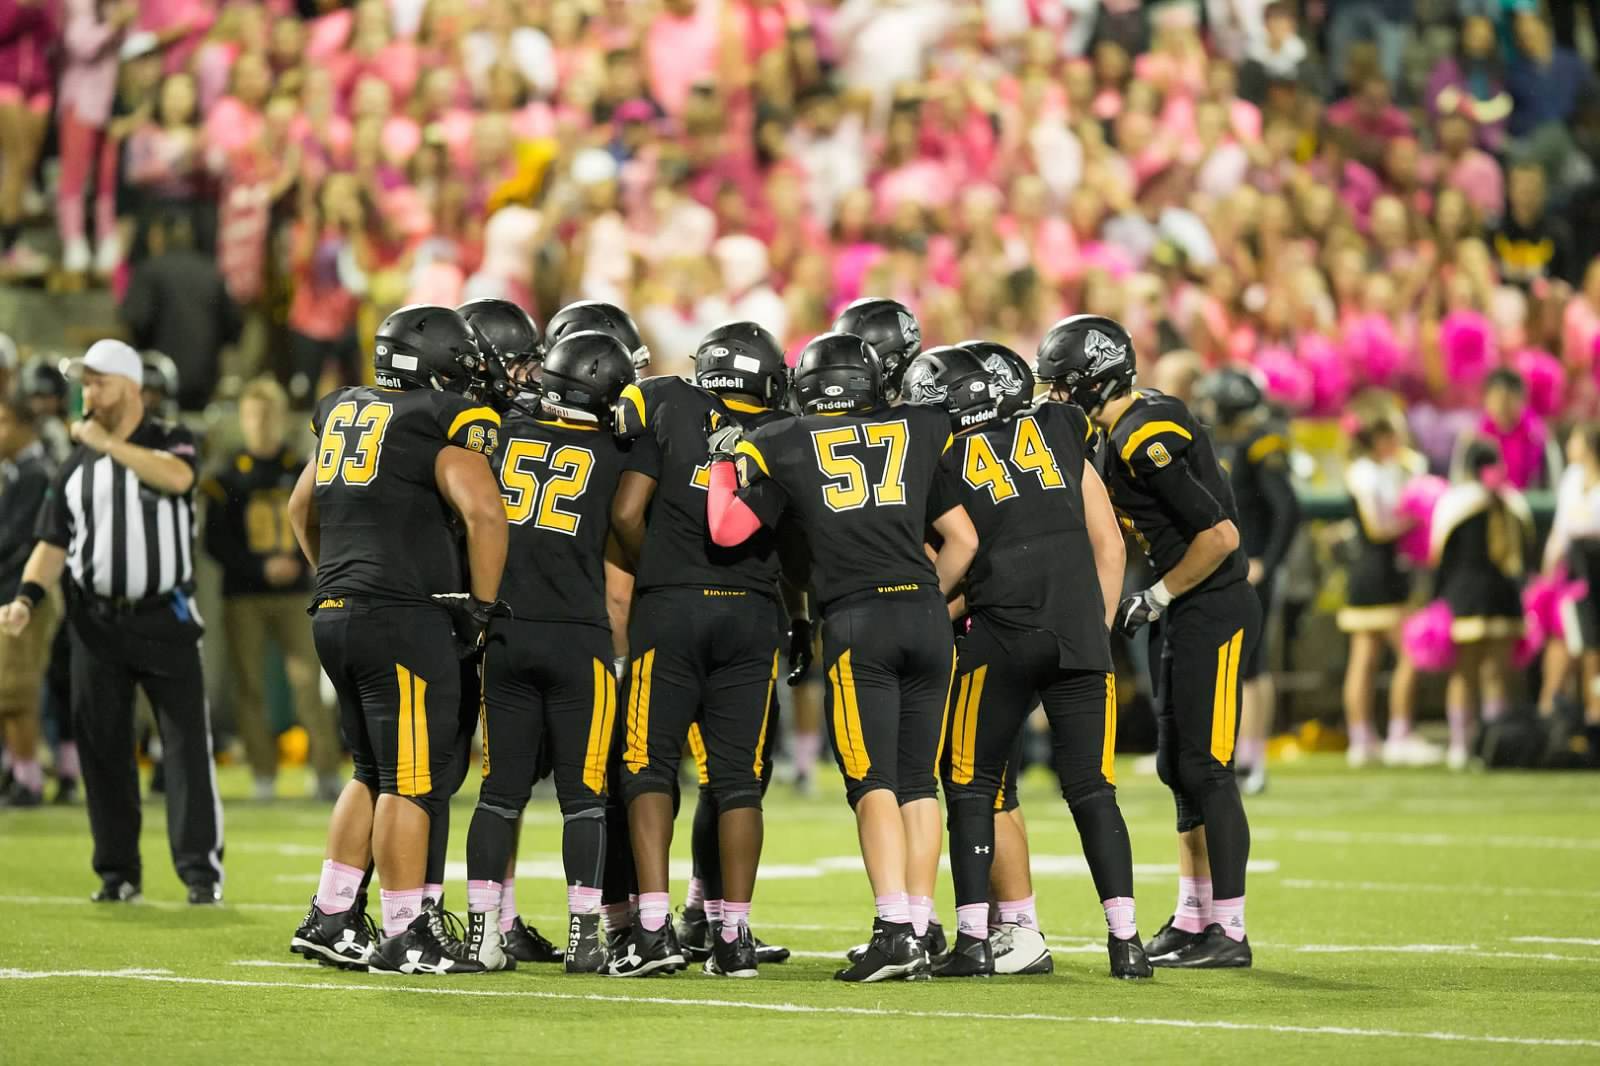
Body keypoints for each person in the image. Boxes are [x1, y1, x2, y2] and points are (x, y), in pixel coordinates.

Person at [705, 331, 979, 982]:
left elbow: (727, 530)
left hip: (859, 620)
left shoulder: (780, 440)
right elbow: (963, 540)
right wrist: (924, 601)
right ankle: (916, 921)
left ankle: (893, 931)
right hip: (923, 613)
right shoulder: (918, 428)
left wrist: (724, 463)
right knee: (919, 783)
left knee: (872, 782)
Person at [905, 342, 1148, 981]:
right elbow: (1109, 544)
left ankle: (974, 940)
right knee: (1094, 790)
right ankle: (1127, 943)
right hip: (1079, 637)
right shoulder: (1062, 426)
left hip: (1003, 636)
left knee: (970, 782)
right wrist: (1088, 631)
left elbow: (962, 557)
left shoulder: (942, 459)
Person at [285, 305, 507, 975]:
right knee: (412, 778)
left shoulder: (349, 412)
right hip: (400, 616)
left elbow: (302, 506)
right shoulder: (432, 420)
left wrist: (336, 573)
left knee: (371, 770)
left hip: (337, 610)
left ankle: (331, 913)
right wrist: (483, 608)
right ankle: (407, 931)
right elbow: (484, 511)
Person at [1035, 314, 1256, 969]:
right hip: (1184, 607)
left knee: (1209, 767)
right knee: (1179, 766)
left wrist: (1157, 595)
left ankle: (1231, 929)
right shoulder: (1125, 426)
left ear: (1093, 383)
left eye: (1061, 387)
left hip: (1209, 604)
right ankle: (1194, 917)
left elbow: (1220, 537)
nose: (1055, 400)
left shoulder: (1142, 436)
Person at [609, 320, 805, 979]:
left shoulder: (666, 401)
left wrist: (660, 570)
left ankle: (656, 929)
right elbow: (800, 542)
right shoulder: (786, 430)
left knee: (647, 766)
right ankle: (732, 935)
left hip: (671, 607)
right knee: (738, 781)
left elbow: (627, 511)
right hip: (753, 612)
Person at [0, 339, 223, 904]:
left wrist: (106, 443)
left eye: (97, 382)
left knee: (185, 748)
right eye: (86, 383)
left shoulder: (170, 438)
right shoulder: (76, 464)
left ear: (127, 385)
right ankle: (118, 871)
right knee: (102, 749)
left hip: (165, 616)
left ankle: (200, 871)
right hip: (96, 624)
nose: (88, 393)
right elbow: (53, 540)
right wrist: (27, 597)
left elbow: (177, 479)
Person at [462, 329, 634, 974]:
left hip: (506, 632)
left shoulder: (503, 433)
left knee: (500, 793)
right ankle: (586, 936)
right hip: (578, 637)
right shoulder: (616, 452)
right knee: (585, 796)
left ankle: (484, 934)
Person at [200, 376, 340, 802]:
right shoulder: (226, 476)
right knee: (250, 685)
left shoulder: (302, 466)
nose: (261, 423)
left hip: (297, 591)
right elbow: (215, 541)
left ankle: (326, 772)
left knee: (308, 684)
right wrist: (260, 566)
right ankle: (263, 774)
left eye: (268, 414)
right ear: (243, 419)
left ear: (281, 418)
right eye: (254, 414)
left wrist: (297, 562)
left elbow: (324, 521)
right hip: (244, 594)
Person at [1198, 369, 1301, 795]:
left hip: (1249, 566)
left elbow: (1288, 508)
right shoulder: (1218, 441)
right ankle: (1227, 752)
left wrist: (1267, 563)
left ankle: (1252, 758)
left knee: (1251, 665)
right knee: (1222, 663)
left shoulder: (1262, 441)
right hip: (1218, 567)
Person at [1431, 440, 1534, 771]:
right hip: (1503, 595)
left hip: (1465, 595)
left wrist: (1438, 597)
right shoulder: (1513, 500)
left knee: (1463, 672)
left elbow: (1440, 557)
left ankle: (1462, 744)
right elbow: (1528, 551)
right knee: (1496, 673)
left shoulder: (1455, 502)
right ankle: (1494, 743)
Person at [1339, 405, 1433, 767]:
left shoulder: (1396, 468)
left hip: (1386, 571)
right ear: (1378, 439)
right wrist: (1413, 521)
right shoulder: (1364, 473)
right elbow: (1377, 527)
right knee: (1406, 653)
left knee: (1369, 657)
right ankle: (1392, 734)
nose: (1400, 441)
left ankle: (1368, 738)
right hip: (1376, 572)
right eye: (1392, 434)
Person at [119, 211, 242, 412]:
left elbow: (136, 321)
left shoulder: (149, 272)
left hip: (157, 387)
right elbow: (234, 329)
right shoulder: (211, 273)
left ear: (158, 237)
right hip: (203, 385)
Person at [0, 396, 55, 806]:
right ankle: (18, 773)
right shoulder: (17, 472)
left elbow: (20, 541)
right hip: (10, 592)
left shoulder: (36, 473)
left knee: (15, 693)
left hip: (21, 596)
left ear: (24, 427)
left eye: (3, 421)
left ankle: (29, 779)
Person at [1543, 423, 1600, 765]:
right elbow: (1561, 529)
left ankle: (1595, 720)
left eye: (1576, 439)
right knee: (1564, 644)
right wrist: (1550, 569)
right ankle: (1552, 718)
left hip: (1598, 574)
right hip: (1574, 574)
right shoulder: (1570, 480)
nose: (1570, 445)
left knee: (1595, 652)